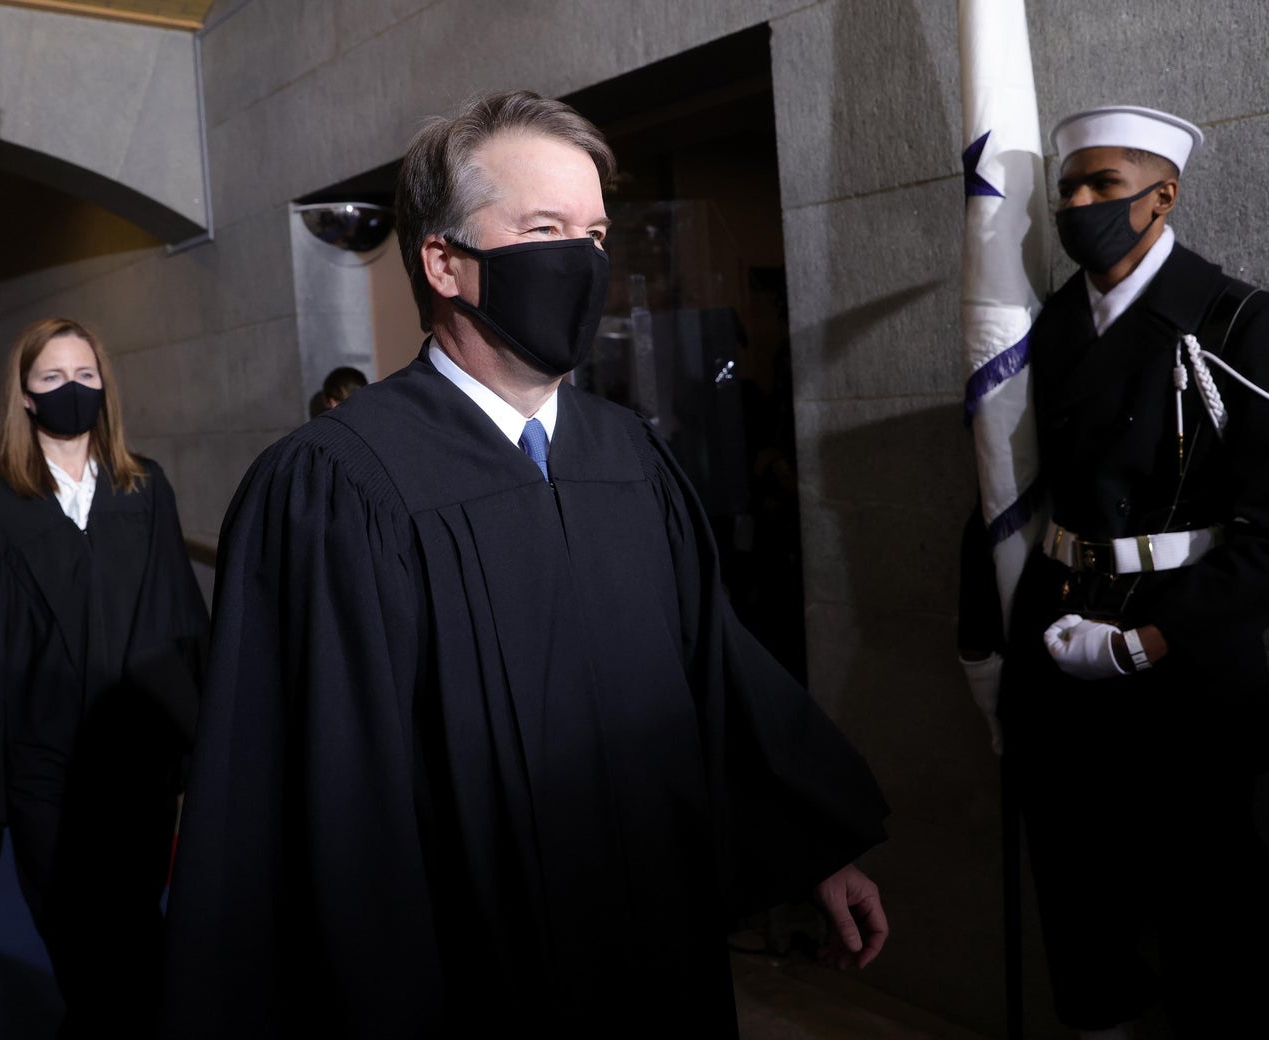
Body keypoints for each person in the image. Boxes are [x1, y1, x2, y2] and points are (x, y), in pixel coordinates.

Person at [161, 91, 890, 1038]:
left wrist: (813, 847)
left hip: (661, 943)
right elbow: (326, 789)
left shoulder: (630, 458)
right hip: (474, 973)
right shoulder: (338, 487)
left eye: (595, 234)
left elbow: (715, 668)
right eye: (544, 230)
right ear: (445, 263)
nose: (581, 261)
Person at [959, 106, 1269, 1039]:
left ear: (1163, 197)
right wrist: (987, 643)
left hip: (1183, 669)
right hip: (1056, 646)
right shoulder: (1046, 328)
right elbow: (1004, 489)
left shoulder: (1244, 322)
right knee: (1081, 926)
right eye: (1068, 189)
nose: (1078, 205)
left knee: (1213, 936)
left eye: (1105, 185)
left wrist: (1150, 640)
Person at [0, 317, 209, 1037]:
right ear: (23, 395)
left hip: (136, 762)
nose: (70, 389)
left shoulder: (144, 490)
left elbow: (179, 618)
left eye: (84, 375)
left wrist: (201, 738)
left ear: (104, 385)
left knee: (140, 923)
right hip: (44, 770)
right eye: (51, 377)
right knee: (77, 939)